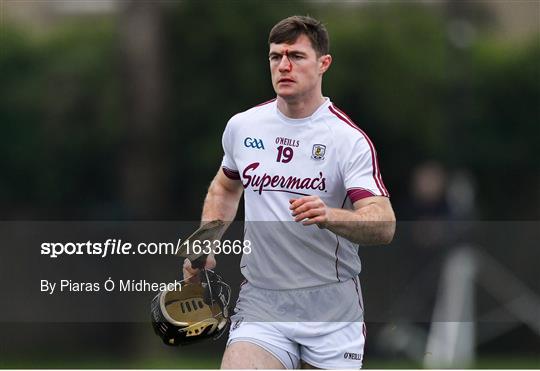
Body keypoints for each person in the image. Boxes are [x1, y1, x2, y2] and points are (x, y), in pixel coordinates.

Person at [183, 15, 396, 369]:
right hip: (262, 302)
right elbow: (225, 186)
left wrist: (330, 216)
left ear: (323, 63)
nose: (284, 65)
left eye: (296, 56)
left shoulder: (348, 140)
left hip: (330, 308)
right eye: (275, 56)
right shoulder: (243, 126)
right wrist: (205, 242)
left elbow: (384, 224)